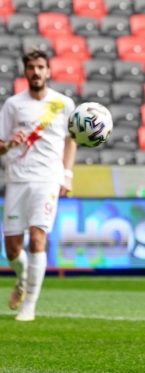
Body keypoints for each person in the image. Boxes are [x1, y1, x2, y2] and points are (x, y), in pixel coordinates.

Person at [0, 47, 77, 321]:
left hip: (48, 178)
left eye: (40, 67)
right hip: (17, 179)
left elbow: (72, 139)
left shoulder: (63, 104)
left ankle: (29, 305)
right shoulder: (13, 105)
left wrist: (67, 174)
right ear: (25, 72)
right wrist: (9, 143)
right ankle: (23, 279)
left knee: (37, 238)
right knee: (12, 248)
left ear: (48, 71)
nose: (36, 72)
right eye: (31, 67)